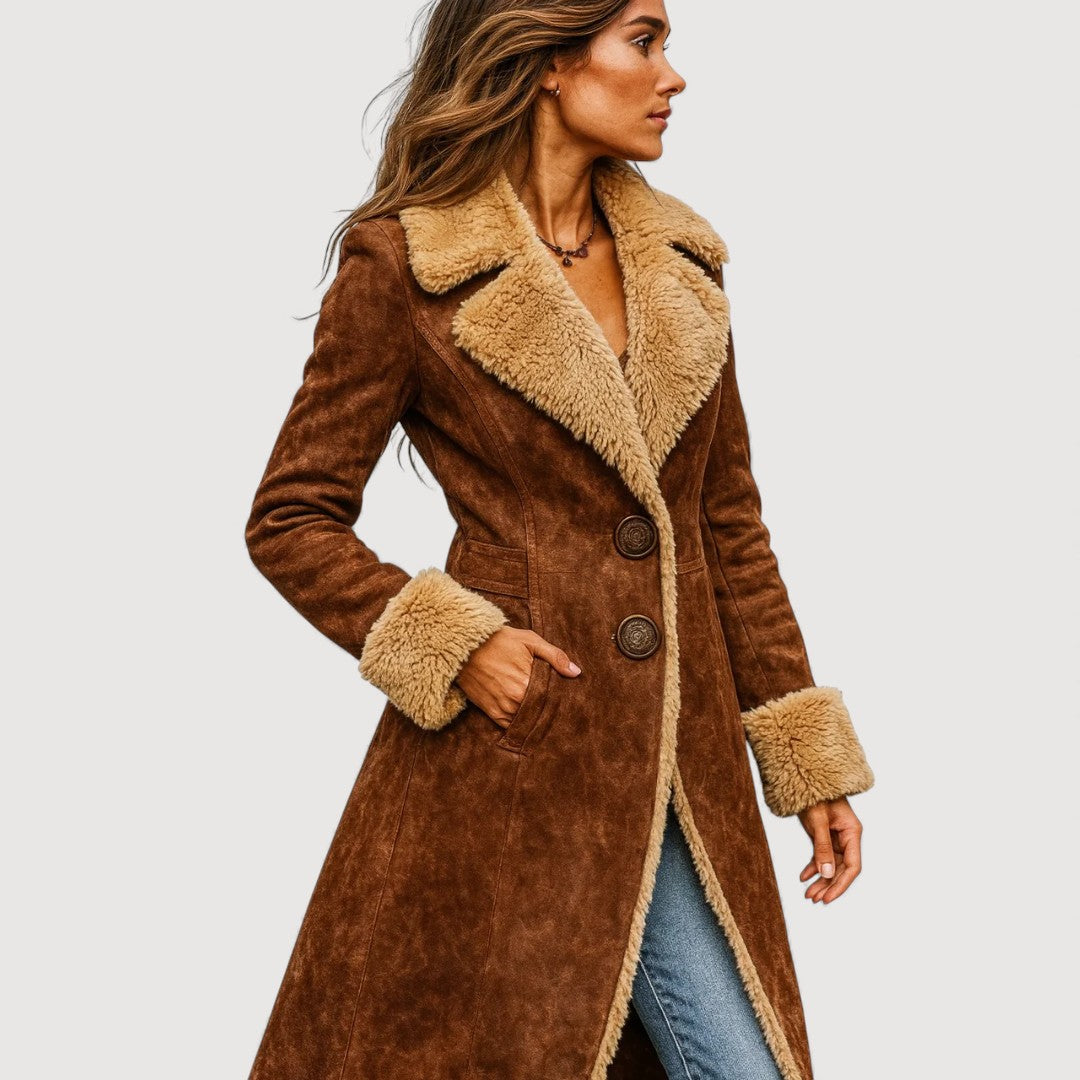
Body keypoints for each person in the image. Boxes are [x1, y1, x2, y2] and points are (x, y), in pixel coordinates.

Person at [243, 1, 875, 1078]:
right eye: (645, 40)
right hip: (519, 770)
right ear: (544, 58)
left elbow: (727, 528)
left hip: (685, 763)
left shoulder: (683, 265)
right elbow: (291, 516)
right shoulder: (410, 264)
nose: (674, 76)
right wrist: (456, 643)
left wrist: (803, 756)